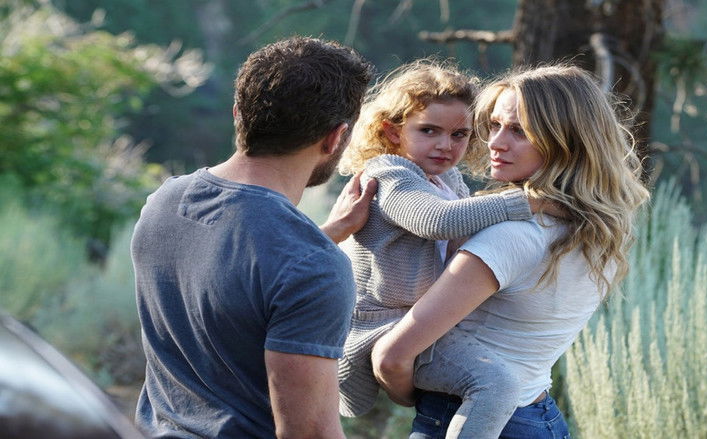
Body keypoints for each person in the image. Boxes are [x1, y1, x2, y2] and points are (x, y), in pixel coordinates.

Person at [372, 65, 650, 438]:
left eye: (519, 131)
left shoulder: (509, 237)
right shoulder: (596, 230)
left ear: (565, 141)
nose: (496, 143)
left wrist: (412, 397)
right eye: (495, 125)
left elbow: (391, 357)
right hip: (541, 418)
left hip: (468, 418)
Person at [131, 37, 374, 438]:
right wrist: (317, 248)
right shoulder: (312, 266)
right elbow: (308, 433)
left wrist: (326, 235)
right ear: (335, 138)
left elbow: (234, 272)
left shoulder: (164, 203)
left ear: (238, 114)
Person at [336, 60, 543, 431]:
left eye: (459, 134)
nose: (445, 145)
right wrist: (529, 202)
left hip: (419, 325)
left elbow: (462, 231)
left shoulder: (446, 179)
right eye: (428, 130)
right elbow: (436, 221)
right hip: (382, 327)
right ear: (392, 131)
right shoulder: (389, 174)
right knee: (497, 384)